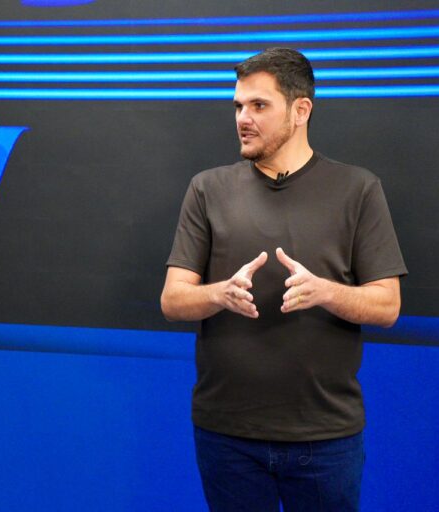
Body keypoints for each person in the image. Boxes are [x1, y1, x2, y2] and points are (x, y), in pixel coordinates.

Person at [160, 48, 407, 511]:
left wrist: (325, 291)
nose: (243, 118)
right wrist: (221, 294)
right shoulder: (207, 189)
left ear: (301, 110)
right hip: (226, 435)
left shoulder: (358, 189)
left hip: (325, 437)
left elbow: (387, 306)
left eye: (259, 105)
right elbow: (173, 300)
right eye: (238, 106)